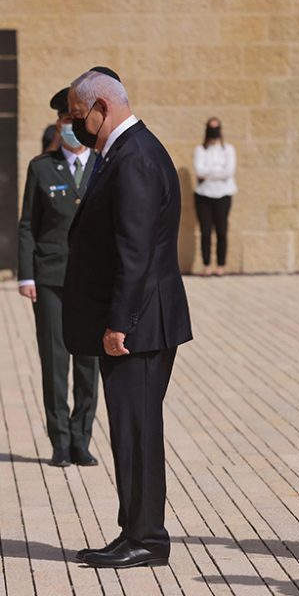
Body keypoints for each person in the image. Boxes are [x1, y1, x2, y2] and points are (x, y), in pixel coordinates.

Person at [63, 69, 193, 569]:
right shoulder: (125, 151)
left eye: (79, 116)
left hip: (139, 325)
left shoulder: (134, 158)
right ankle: (136, 530)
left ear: (102, 106)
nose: (77, 126)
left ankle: (146, 537)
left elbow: (135, 252)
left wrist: (119, 322)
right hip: (141, 319)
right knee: (131, 430)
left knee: (136, 431)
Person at [17, 88, 100, 468]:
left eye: (75, 121)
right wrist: (26, 275)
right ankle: (60, 441)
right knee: (55, 360)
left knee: (89, 362)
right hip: (50, 276)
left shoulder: (103, 164)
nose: (70, 127)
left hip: (91, 281)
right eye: (65, 121)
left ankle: (82, 438)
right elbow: (27, 226)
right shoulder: (41, 167)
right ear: (58, 124)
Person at [193, 117, 237, 276]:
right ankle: (206, 265)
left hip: (223, 194)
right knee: (205, 232)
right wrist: (218, 173)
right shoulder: (200, 149)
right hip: (203, 195)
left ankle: (221, 265)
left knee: (221, 231)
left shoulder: (228, 149)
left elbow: (229, 172)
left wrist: (208, 173)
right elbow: (199, 171)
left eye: (216, 127)